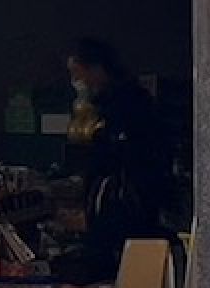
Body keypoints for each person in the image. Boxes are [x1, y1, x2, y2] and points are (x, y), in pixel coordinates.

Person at [68, 36, 170, 267]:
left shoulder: (128, 106)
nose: (77, 82)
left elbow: (132, 160)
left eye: (79, 73)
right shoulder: (99, 105)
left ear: (95, 69)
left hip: (124, 210)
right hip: (109, 205)